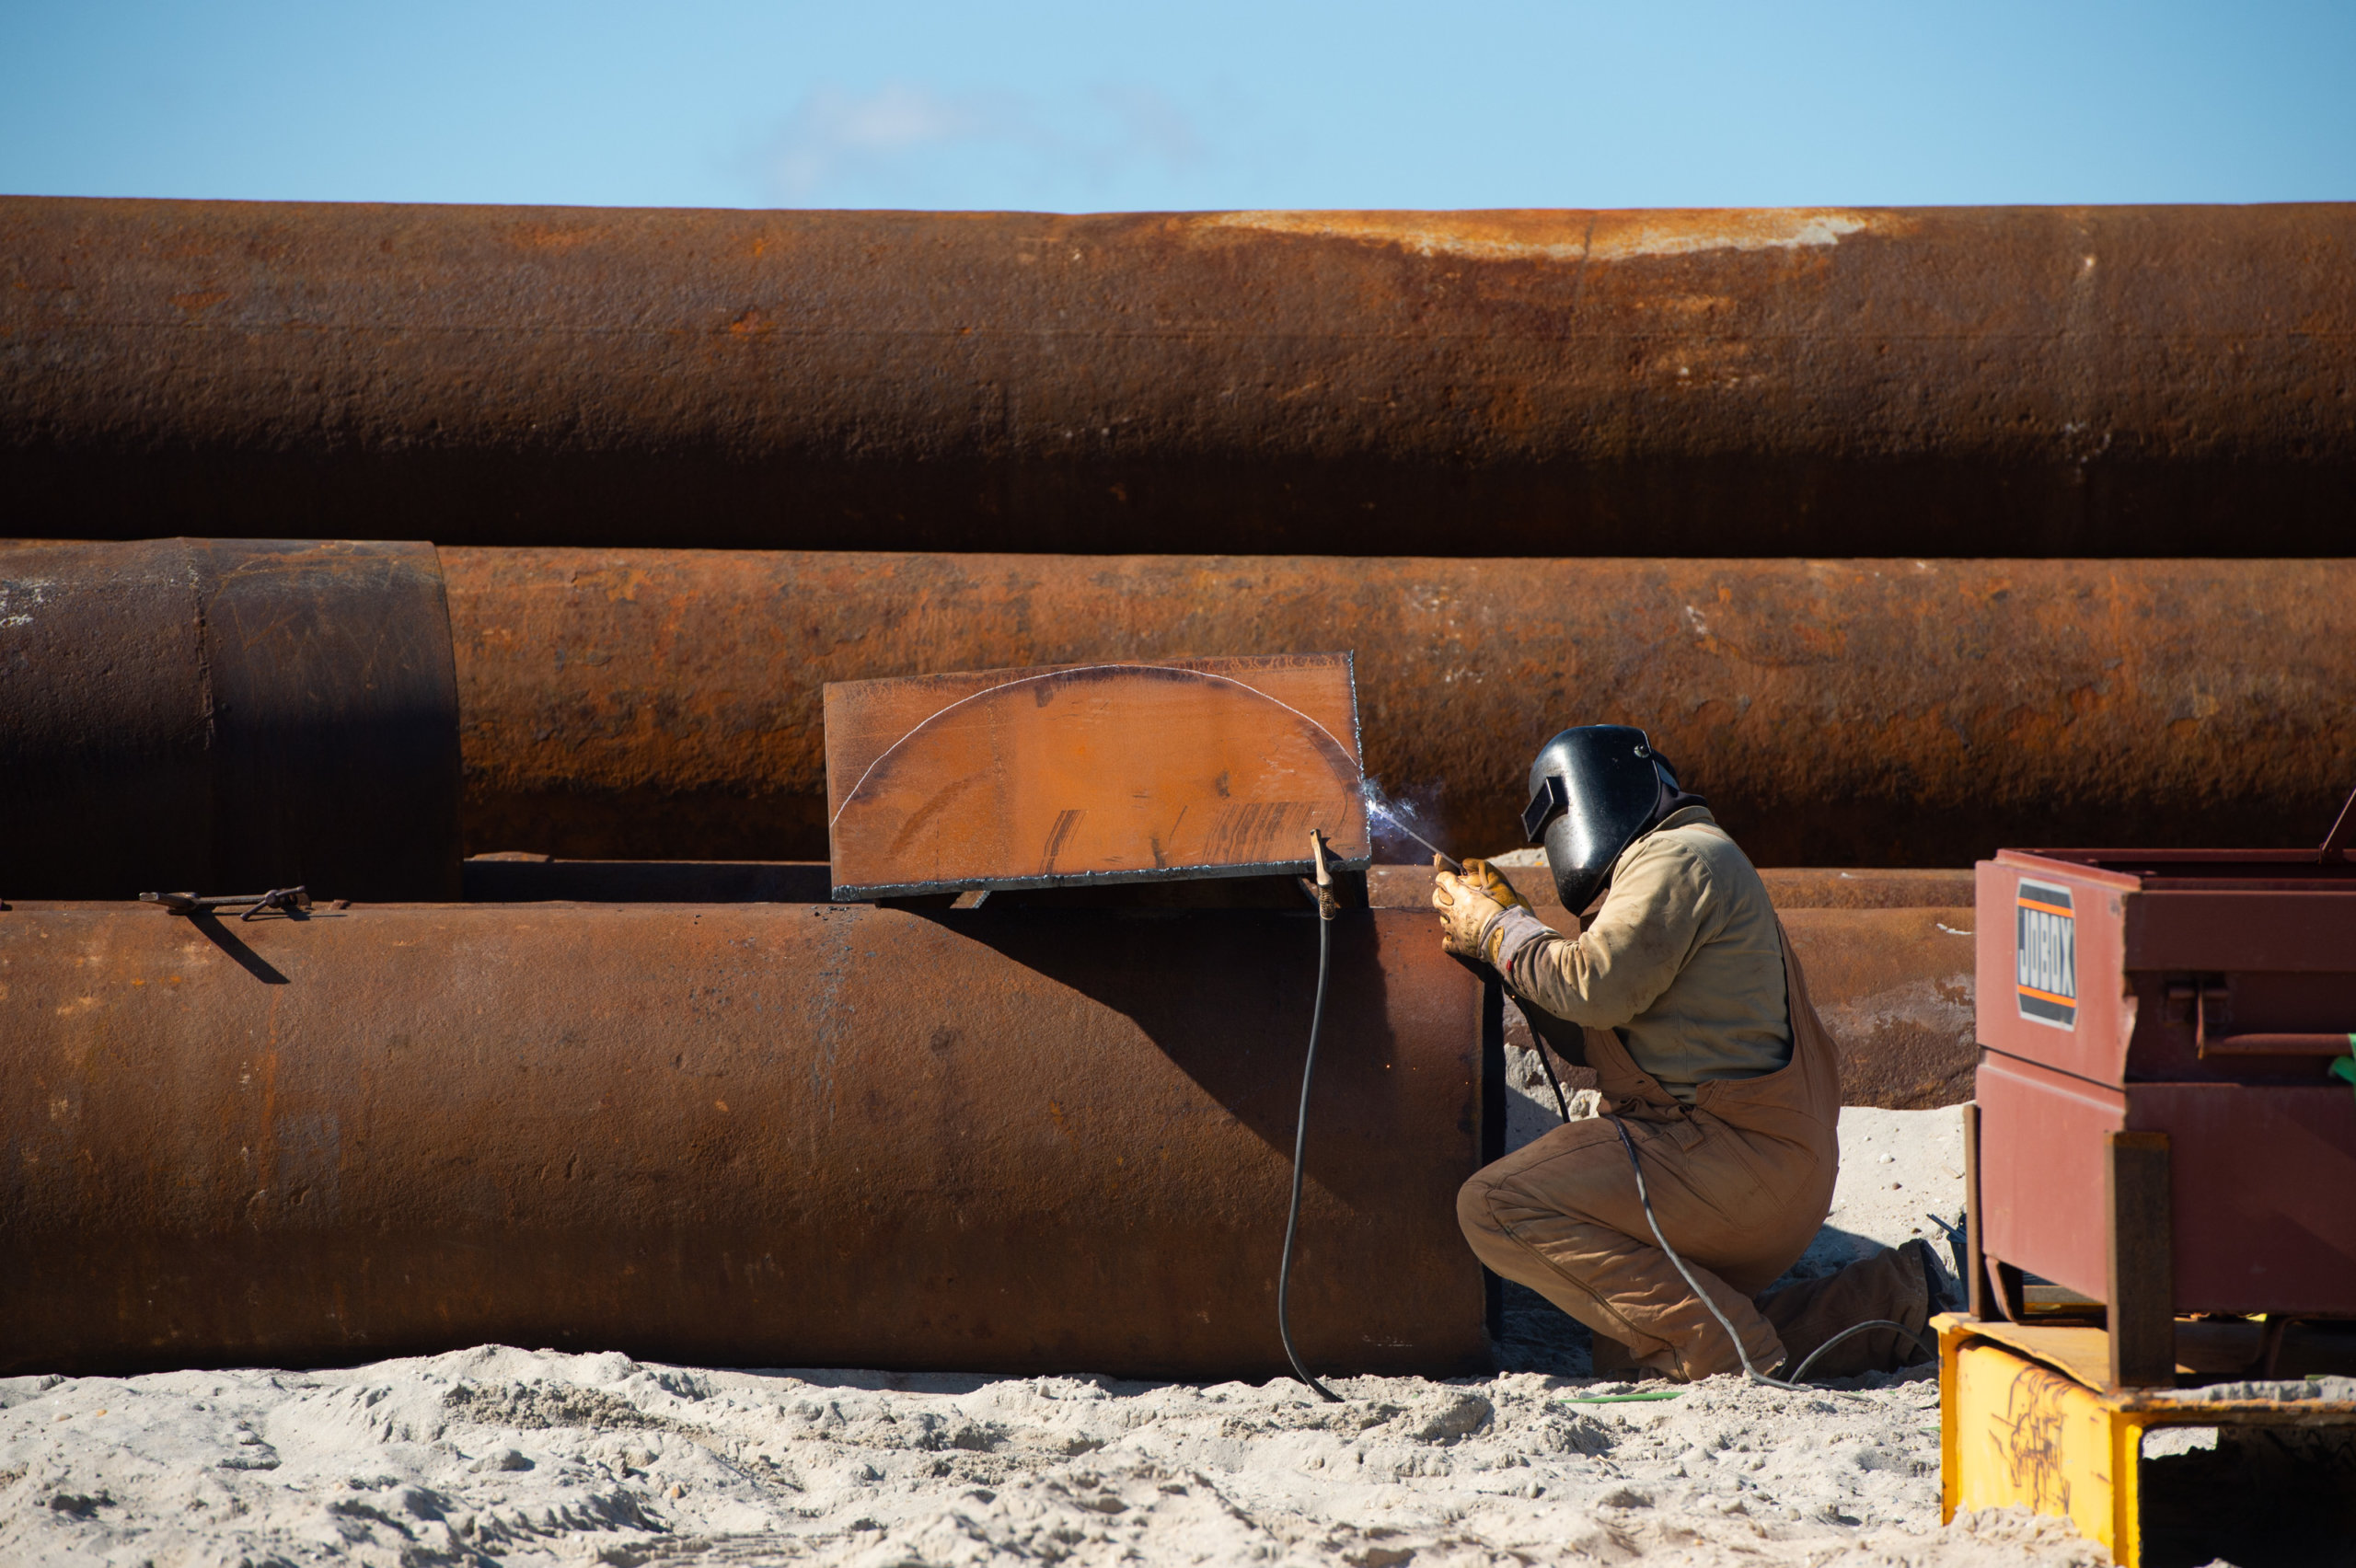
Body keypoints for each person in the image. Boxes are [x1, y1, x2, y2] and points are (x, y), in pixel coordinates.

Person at [1433, 724, 1944, 1383]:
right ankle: (1895, 1302)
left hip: (1731, 1158)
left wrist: (1502, 930)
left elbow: (1593, 987)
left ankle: (1732, 1358)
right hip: (1757, 1165)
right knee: (1636, 1347)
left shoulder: (1678, 858)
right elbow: (1588, 1035)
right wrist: (1513, 937)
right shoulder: (1670, 868)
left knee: (1496, 1204)